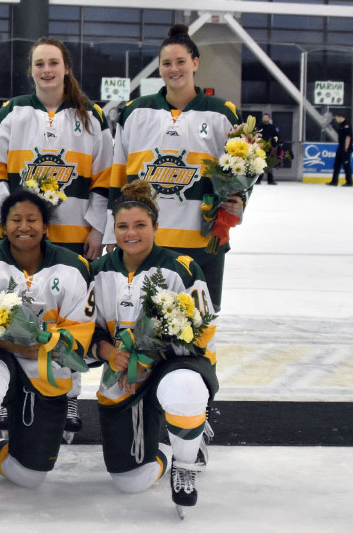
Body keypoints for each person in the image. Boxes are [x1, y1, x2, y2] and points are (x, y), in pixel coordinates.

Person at [0, 37, 113, 435]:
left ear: (66, 67)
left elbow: (105, 177)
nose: (46, 70)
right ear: (31, 69)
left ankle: (70, 394)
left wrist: (95, 226)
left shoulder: (92, 115)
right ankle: (7, 395)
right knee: (13, 309)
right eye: (39, 63)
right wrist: (10, 218)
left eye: (53, 62)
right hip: (20, 237)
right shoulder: (13, 111)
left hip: (74, 238)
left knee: (68, 319)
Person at [0, 190, 97, 523]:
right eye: (15, 219)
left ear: (46, 228)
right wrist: (8, 343)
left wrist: (43, 341)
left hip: (44, 373)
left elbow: (82, 334)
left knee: (31, 475)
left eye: (32, 220)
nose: (23, 227)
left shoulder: (72, 267)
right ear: (2, 226)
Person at [90, 180, 218, 515]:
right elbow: (86, 330)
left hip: (174, 365)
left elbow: (202, 331)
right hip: (121, 373)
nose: (131, 234)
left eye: (140, 226)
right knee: (129, 481)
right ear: (113, 229)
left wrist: (149, 360)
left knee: (185, 388)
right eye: (122, 226)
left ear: (156, 227)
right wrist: (109, 354)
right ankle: (164, 446)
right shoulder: (97, 272)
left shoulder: (183, 268)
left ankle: (185, 459)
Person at [108, 24, 242, 313]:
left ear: (195, 63)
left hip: (203, 245)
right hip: (144, 244)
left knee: (196, 329)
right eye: (166, 63)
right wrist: (111, 233)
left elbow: (240, 172)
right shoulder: (135, 112)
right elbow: (117, 174)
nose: (174, 69)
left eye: (181, 61)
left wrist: (238, 203)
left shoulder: (222, 114)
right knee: (141, 324)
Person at [327, 109, 353, 187]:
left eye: (337, 118)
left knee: (346, 165)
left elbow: (348, 137)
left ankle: (349, 182)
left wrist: (346, 149)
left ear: (340, 117)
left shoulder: (347, 124)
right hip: (340, 147)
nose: (336, 119)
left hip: (345, 148)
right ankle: (334, 181)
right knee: (336, 164)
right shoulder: (341, 125)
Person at [256, 113, 278, 185]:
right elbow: (256, 135)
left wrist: (274, 146)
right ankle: (258, 179)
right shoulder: (259, 127)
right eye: (264, 117)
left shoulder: (272, 127)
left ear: (269, 118)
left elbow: (276, 136)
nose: (265, 119)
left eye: (266, 117)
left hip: (269, 147)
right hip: (260, 147)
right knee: (260, 163)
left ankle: (270, 180)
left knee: (269, 164)